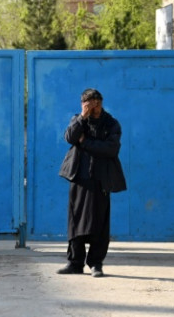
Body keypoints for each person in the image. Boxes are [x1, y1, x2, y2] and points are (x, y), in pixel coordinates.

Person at [57, 88, 126, 278]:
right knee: (76, 221)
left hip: (101, 179)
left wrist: (85, 143)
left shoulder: (111, 124)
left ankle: (96, 263)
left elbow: (110, 149)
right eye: (88, 105)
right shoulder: (77, 120)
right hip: (79, 178)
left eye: (96, 104)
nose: (93, 108)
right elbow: (70, 138)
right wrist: (82, 117)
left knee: (99, 223)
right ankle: (75, 262)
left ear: (100, 103)